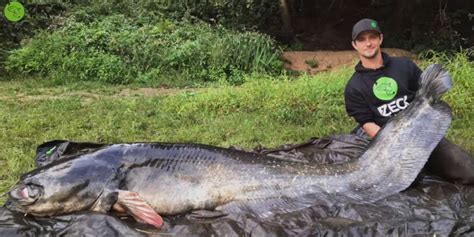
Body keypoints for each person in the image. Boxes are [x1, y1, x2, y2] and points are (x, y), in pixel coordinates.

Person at [344, 18, 474, 184]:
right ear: (355, 45)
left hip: (422, 133)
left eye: (372, 37)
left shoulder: (404, 66)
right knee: (408, 184)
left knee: (469, 172)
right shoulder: (354, 87)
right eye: (361, 40)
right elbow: (367, 123)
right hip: (390, 145)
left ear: (380, 39)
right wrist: (397, 145)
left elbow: (426, 94)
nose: (368, 43)